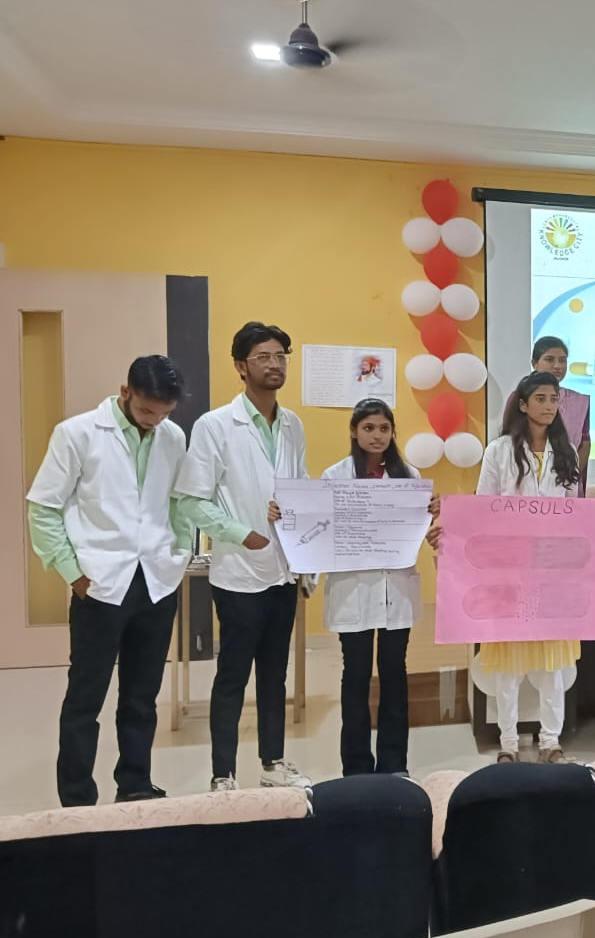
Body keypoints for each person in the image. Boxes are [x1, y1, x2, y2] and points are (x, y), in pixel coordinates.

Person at [27, 356, 191, 806]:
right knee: (86, 697)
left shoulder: (173, 437)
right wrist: (72, 573)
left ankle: (135, 784)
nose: (154, 421)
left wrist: (179, 554)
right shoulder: (77, 433)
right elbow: (43, 508)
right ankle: (77, 796)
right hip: (98, 584)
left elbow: (178, 503)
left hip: (156, 582)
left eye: (164, 413)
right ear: (125, 392)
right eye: (146, 411)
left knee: (142, 695)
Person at [175, 321, 312, 791]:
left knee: (275, 675)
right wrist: (242, 533)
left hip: (283, 572)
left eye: (281, 356)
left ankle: (273, 763)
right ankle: (223, 773)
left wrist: (297, 516)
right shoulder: (215, 426)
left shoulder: (292, 425)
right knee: (232, 675)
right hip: (238, 573)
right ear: (240, 366)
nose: (275, 365)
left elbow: (298, 487)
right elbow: (192, 500)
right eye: (263, 357)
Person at [469, 371, 582, 763]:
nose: (549, 406)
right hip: (509, 571)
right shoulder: (499, 450)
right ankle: (508, 743)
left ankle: (550, 741)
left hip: (552, 571)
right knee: (509, 664)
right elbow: (483, 507)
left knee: (552, 664)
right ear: (522, 404)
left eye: (554, 399)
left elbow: (573, 512)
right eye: (541, 399)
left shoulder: (566, 451)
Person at [322, 398, 425, 776]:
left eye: (384, 428)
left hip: (395, 589)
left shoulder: (409, 476)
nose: (377, 435)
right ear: (354, 431)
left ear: (393, 432)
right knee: (356, 675)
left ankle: (395, 764)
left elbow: (416, 531)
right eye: (368, 428)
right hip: (353, 590)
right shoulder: (335, 476)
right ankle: (356, 766)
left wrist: (431, 513)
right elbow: (321, 529)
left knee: (395, 674)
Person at [504, 336, 592, 493]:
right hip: (522, 476)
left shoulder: (580, 401)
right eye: (550, 359)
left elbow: (584, 442)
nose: (557, 366)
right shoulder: (519, 397)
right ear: (534, 363)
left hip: (565, 478)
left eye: (562, 360)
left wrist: (570, 473)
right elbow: (509, 435)